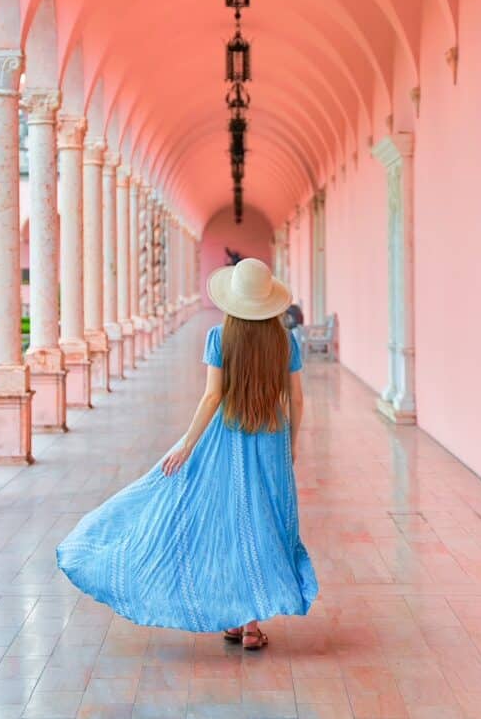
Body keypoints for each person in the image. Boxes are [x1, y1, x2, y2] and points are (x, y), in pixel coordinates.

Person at [56, 257, 318, 649]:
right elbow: (296, 398)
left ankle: (234, 616)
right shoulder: (285, 340)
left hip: (227, 437)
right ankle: (249, 625)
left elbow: (213, 395)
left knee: (228, 522)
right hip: (271, 438)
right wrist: (292, 442)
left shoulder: (220, 337)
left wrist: (188, 444)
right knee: (265, 523)